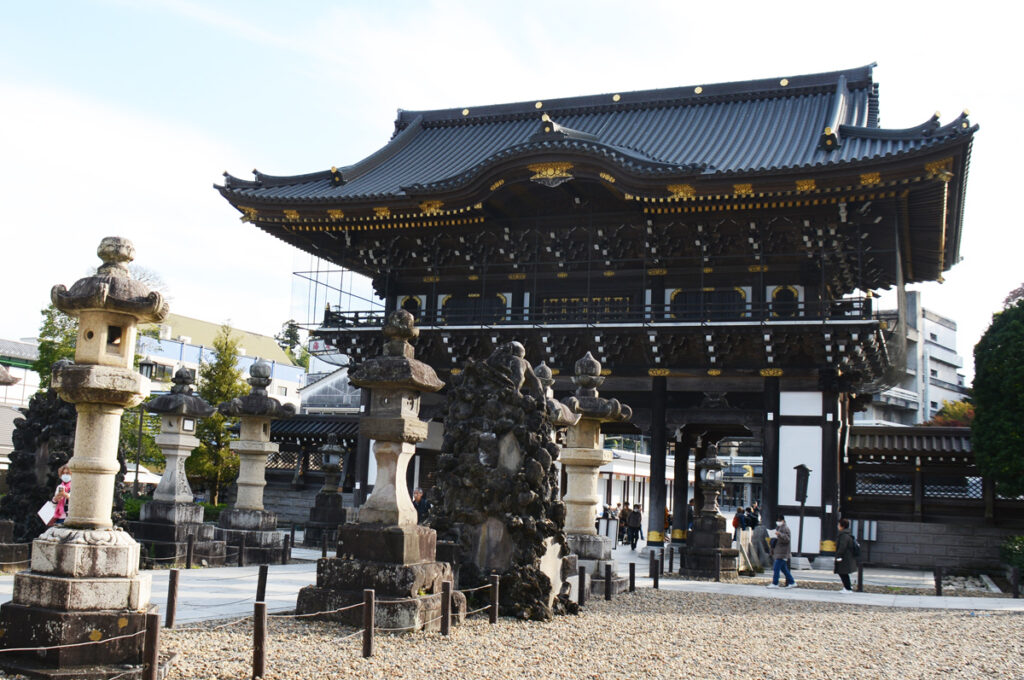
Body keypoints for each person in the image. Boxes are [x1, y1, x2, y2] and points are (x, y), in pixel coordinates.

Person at [767, 515, 797, 588]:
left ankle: (775, 583)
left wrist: (779, 534)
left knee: (776, 568)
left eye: (779, 521)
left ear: (783, 521)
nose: (778, 522)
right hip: (779, 552)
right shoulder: (779, 528)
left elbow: (787, 539)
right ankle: (792, 582)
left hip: (783, 552)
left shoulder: (785, 528)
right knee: (784, 569)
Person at [834, 518, 857, 593]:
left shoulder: (843, 535)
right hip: (846, 557)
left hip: (844, 558)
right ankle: (848, 587)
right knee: (844, 573)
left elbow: (842, 546)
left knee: (843, 573)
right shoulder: (847, 534)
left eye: (839, 524)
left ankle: (847, 588)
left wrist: (839, 555)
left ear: (842, 526)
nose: (838, 526)